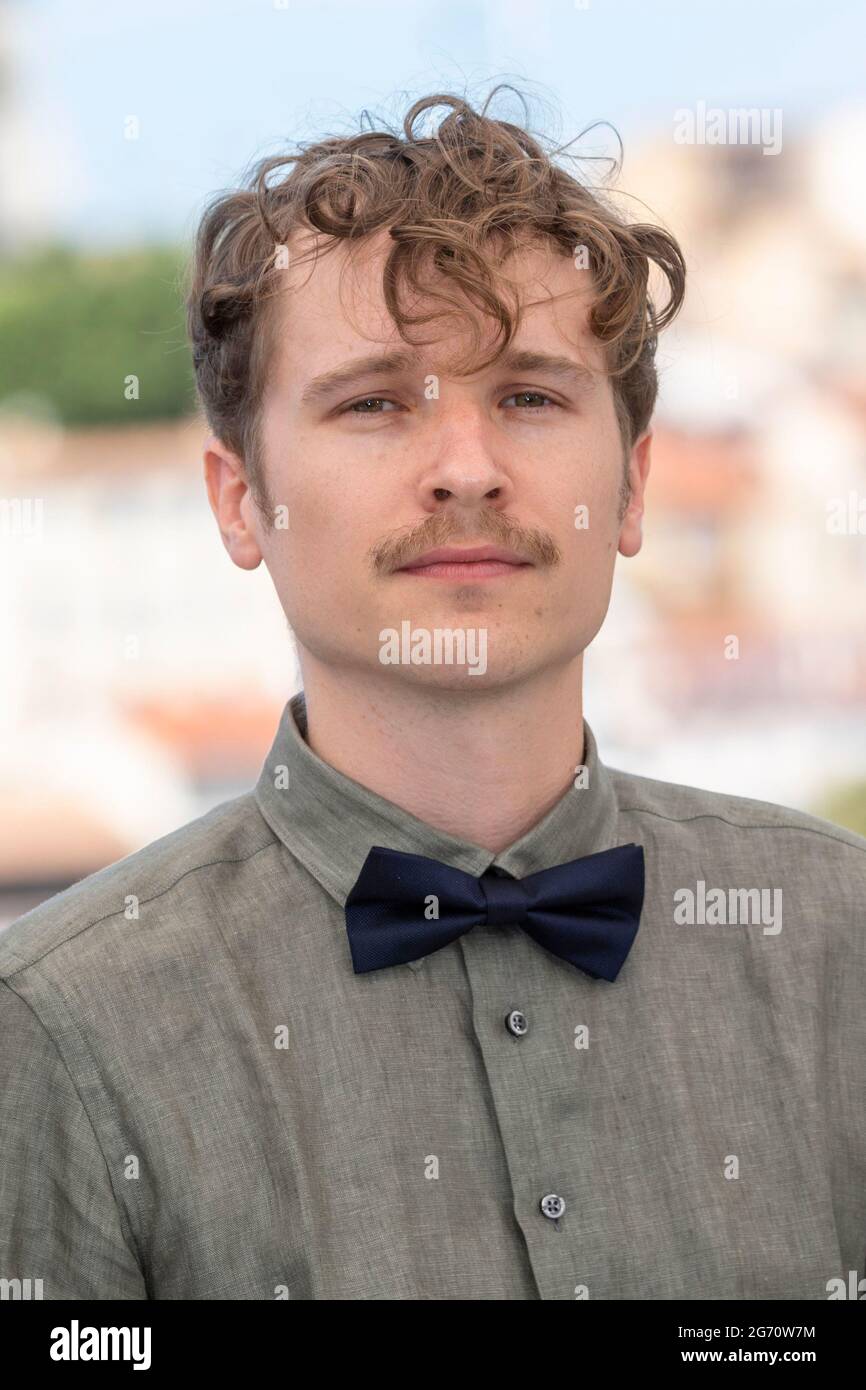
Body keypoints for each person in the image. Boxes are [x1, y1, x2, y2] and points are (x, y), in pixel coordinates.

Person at [1, 90, 864, 1302]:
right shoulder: (52, 1029)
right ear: (237, 499)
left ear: (630, 486)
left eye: (528, 396)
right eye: (372, 402)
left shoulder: (842, 941)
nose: (465, 468)